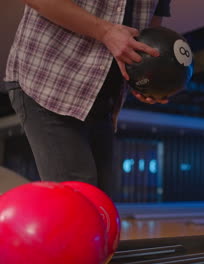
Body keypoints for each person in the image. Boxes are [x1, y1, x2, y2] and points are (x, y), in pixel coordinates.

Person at [3, 0, 172, 197]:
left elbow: (151, 27)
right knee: (80, 204)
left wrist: (146, 75)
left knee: (101, 207)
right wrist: (106, 32)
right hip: (49, 80)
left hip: (102, 98)